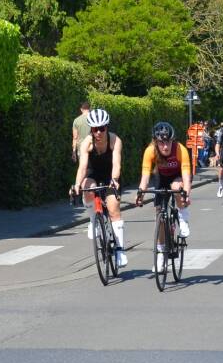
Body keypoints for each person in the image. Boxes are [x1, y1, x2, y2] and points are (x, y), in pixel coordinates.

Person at [73, 109, 126, 266]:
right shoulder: (87, 143)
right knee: (87, 188)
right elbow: (82, 167)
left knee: (113, 207)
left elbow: (116, 164)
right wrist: (76, 184)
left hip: (111, 176)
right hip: (93, 174)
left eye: (102, 128)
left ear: (106, 127)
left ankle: (120, 251)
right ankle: (93, 220)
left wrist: (115, 179)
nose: (98, 133)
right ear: (91, 129)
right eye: (95, 129)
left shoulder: (115, 140)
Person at [136, 122, 192, 272]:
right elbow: (145, 177)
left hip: (177, 177)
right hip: (161, 179)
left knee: (177, 188)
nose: (165, 146)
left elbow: (186, 176)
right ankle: (161, 255)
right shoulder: (150, 151)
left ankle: (183, 217)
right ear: (155, 141)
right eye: (161, 142)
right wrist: (140, 192)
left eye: (168, 142)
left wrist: (186, 194)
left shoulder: (180, 149)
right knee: (159, 214)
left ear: (172, 140)